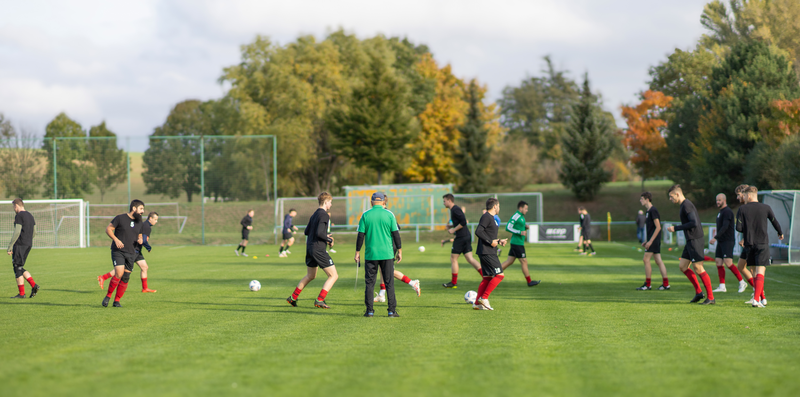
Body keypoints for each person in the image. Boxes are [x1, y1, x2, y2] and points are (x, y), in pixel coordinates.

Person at [666, 185, 715, 304]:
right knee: (683, 266)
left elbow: (693, 223)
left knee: (698, 268)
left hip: (695, 240)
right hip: (690, 240)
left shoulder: (686, 205)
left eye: (671, 197)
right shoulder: (684, 205)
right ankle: (699, 293)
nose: (670, 199)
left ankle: (711, 297)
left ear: (677, 194)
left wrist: (676, 228)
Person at [286, 193, 337, 309]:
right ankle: (320, 300)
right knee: (333, 275)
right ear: (325, 202)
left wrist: (325, 235)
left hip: (310, 248)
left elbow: (307, 231)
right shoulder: (324, 215)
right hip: (318, 249)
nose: (331, 204)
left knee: (311, 275)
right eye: (330, 202)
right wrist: (329, 239)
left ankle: (293, 298)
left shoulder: (314, 214)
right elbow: (319, 233)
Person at [356, 192, 402, 317]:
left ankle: (369, 311)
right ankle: (391, 311)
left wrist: (357, 252)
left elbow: (360, 235)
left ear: (371, 202)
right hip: (387, 254)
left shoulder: (365, 215)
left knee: (370, 283)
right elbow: (396, 234)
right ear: (383, 202)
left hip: (371, 255)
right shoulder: (389, 214)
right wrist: (400, 250)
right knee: (389, 283)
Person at [736, 186, 783, 308]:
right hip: (762, 243)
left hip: (749, 244)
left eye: (745, 195)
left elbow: (738, 228)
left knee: (754, 272)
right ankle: (758, 299)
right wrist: (780, 233)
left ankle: (761, 298)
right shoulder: (766, 207)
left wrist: (746, 228)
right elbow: (774, 221)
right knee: (760, 271)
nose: (744, 198)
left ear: (749, 195)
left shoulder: (742, 209)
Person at [98, 211, 159, 293]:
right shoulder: (147, 227)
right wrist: (149, 247)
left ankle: (145, 288)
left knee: (144, 267)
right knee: (121, 270)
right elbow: (143, 240)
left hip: (137, 250)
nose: (156, 221)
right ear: (150, 218)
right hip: (133, 250)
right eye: (155, 219)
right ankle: (103, 277)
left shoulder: (145, 225)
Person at [374, 198, 420, 302]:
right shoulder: (381, 213)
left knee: (388, 271)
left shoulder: (388, 214)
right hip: (385, 246)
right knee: (383, 270)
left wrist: (398, 249)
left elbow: (396, 230)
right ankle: (382, 294)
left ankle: (412, 283)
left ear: (383, 202)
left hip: (389, 246)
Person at [102, 200, 145, 308]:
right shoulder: (120, 218)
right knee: (119, 273)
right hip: (118, 251)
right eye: (141, 209)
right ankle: (108, 296)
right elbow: (108, 229)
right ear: (134, 208)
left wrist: (140, 239)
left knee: (126, 277)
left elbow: (139, 235)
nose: (143, 211)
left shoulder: (139, 222)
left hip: (131, 252)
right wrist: (116, 240)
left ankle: (117, 301)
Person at [473, 198, 508, 311]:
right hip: (487, 251)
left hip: (487, 251)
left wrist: (498, 241)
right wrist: (490, 242)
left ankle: (477, 303)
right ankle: (484, 298)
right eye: (498, 206)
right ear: (495, 206)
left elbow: (488, 235)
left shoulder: (491, 218)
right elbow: (478, 231)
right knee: (499, 275)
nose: (499, 208)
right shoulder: (486, 216)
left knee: (487, 277)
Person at [442, 194, 481, 288]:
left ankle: (453, 283)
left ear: (449, 201)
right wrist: (451, 226)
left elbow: (463, 222)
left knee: (453, 258)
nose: (443, 203)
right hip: (466, 236)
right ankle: (486, 277)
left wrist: (453, 230)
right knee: (470, 258)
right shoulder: (453, 209)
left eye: (444, 201)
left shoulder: (455, 209)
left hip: (461, 237)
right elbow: (460, 222)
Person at [710, 194, 746, 293]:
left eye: (719, 200)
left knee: (728, 262)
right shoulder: (720, 212)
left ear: (724, 200)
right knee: (718, 261)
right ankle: (722, 286)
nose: (718, 202)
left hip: (727, 241)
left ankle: (742, 282)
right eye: (717, 200)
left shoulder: (727, 212)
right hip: (721, 241)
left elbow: (725, 227)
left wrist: (715, 237)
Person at [500, 201, 539, 287]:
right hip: (517, 243)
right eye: (525, 208)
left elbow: (519, 226)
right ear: (520, 208)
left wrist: (525, 227)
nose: (527, 210)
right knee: (524, 261)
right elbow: (508, 227)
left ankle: (493, 275)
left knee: (509, 261)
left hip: (517, 242)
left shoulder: (521, 216)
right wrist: (519, 232)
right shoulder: (516, 215)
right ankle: (529, 281)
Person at [7, 198, 40, 299]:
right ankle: (33, 286)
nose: (14, 209)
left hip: (20, 244)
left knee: (17, 267)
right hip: (28, 244)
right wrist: (27, 240)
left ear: (16, 205)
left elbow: (17, 232)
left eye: (13, 207)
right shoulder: (30, 215)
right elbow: (34, 232)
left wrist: (10, 246)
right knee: (19, 267)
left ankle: (22, 294)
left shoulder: (19, 215)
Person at [636, 192, 669, 290]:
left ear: (647, 199)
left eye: (642, 199)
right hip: (652, 240)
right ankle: (666, 284)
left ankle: (647, 284)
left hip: (654, 240)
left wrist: (650, 241)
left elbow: (658, 227)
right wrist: (647, 240)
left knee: (646, 259)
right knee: (658, 261)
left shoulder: (653, 210)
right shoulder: (648, 211)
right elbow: (651, 229)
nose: (640, 200)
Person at [733, 184, 756, 292]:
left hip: (753, 242)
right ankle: (757, 291)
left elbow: (754, 225)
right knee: (741, 266)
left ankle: (759, 294)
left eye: (738, 195)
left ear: (745, 194)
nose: (737, 198)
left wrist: (745, 238)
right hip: (747, 241)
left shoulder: (750, 208)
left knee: (753, 269)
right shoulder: (744, 208)